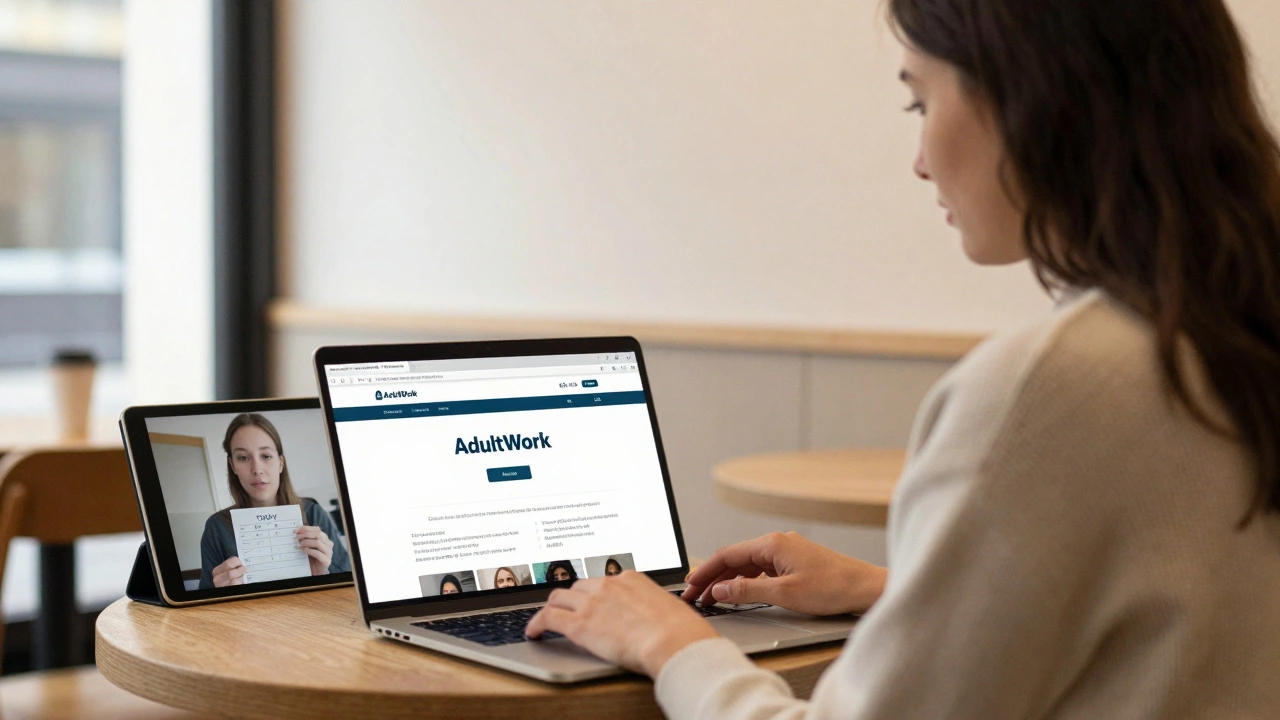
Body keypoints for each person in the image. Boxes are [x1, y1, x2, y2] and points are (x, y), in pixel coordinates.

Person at [526, 0, 1280, 716]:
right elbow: (1164, 637)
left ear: (1036, 99)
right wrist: (895, 591)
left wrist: (670, 642)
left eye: (921, 104)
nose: (920, 162)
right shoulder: (1229, 329)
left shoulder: (1046, 387)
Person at [199, 413, 351, 589]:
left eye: (266, 456)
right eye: (243, 458)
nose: (257, 469)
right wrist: (219, 594)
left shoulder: (313, 512)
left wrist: (322, 575)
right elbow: (202, 601)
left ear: (280, 463)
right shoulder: (216, 526)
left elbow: (348, 582)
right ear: (233, 466)